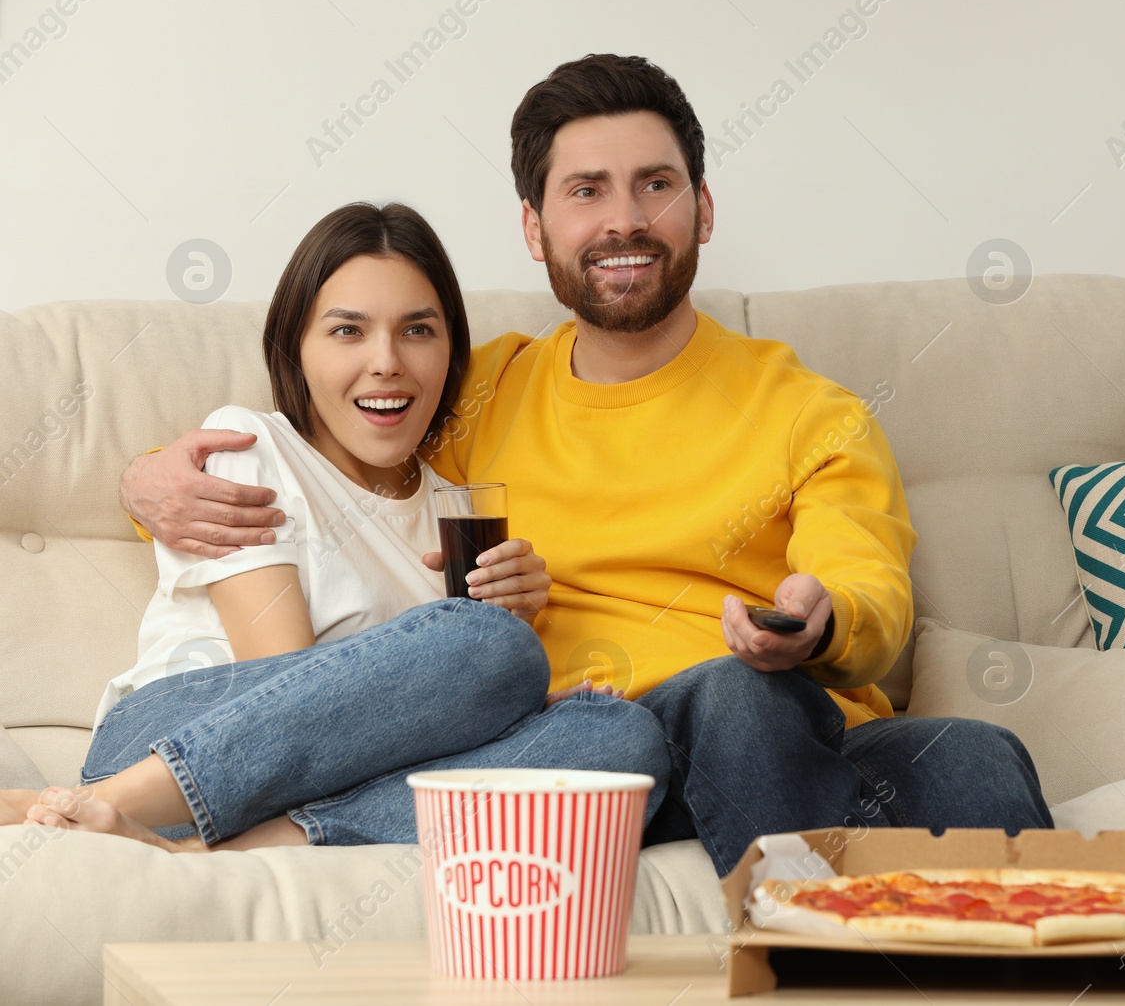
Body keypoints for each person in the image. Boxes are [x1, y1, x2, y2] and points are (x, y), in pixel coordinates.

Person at [119, 55, 1052, 874]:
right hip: (586, 736)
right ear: (535, 229)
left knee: (978, 753)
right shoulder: (481, 389)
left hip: (777, 731)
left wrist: (822, 619)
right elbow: (326, 445)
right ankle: (814, 965)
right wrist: (147, 479)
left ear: (703, 209)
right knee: (730, 700)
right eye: (586, 191)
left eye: (655, 185)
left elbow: (869, 589)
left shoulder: (813, 413)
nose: (623, 220)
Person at [2, 202, 669, 850]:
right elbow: (285, 677)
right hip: (168, 743)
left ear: (451, 355)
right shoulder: (247, 445)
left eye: (418, 330)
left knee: (622, 737)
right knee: (490, 648)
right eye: (348, 330)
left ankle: (227, 854)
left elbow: (386, 719)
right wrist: (484, 653)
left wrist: (519, 696)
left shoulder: (460, 510)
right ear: (297, 349)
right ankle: (93, 803)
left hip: (297, 798)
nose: (387, 360)